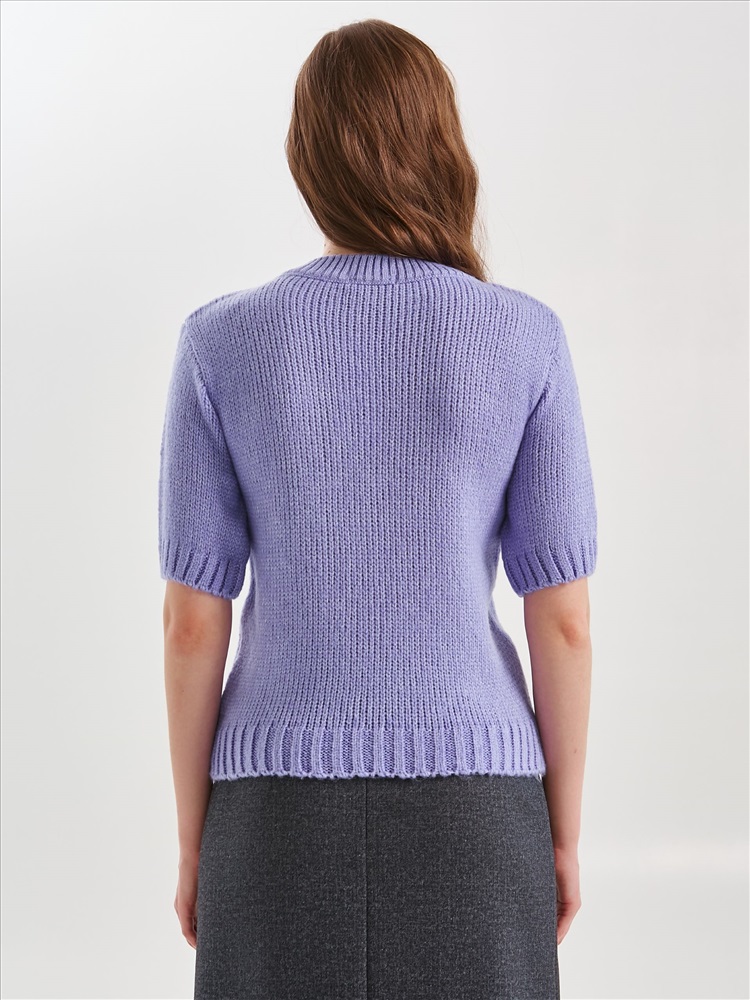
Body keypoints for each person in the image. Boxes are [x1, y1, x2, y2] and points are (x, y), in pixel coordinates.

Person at [158, 17, 597, 1000]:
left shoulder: (221, 343)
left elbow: (191, 622)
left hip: (271, 818)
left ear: (305, 156)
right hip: (480, 813)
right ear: (441, 143)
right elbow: (563, 617)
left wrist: (196, 842)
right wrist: (562, 834)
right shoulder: (525, 338)